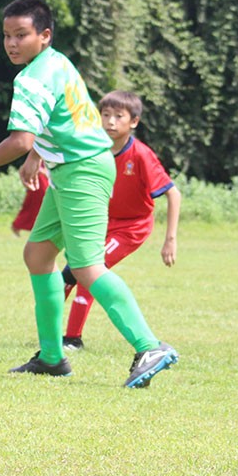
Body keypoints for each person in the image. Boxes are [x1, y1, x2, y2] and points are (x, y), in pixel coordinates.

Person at [0, 0, 178, 389]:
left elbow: (21, 139)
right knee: (38, 254)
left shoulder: (31, 78)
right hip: (72, 169)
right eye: (6, 35)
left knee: (88, 267)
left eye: (21, 35)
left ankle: (149, 346)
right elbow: (62, 120)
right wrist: (40, 157)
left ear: (44, 35)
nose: (12, 43)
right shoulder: (56, 62)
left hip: (82, 172)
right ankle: (53, 357)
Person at [58, 90, 181, 351]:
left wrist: (170, 240)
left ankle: (72, 338)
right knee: (65, 276)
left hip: (131, 228)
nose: (110, 122)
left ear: (133, 122)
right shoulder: (93, 147)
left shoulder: (141, 155)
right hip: (101, 222)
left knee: (89, 272)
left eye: (118, 116)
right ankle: (50, 331)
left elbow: (173, 193)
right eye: (105, 115)